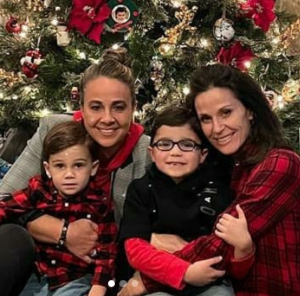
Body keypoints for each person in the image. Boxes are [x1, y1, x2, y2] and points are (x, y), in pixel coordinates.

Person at [122, 64, 300, 296]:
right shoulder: (230, 166)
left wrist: (145, 280)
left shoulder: (280, 163)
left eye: (226, 112)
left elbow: (220, 244)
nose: (217, 128)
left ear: (250, 110)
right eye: (206, 118)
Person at [0, 47, 151, 293]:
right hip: (40, 266)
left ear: (133, 108)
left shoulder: (147, 153)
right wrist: (62, 231)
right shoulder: (56, 131)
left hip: (101, 275)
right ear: (81, 105)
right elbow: (5, 199)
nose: (107, 118)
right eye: (95, 107)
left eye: (119, 107)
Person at [119, 106, 255, 296]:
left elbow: (228, 256)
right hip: (157, 279)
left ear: (203, 155)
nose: (175, 152)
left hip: (209, 282)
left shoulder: (219, 191)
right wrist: (184, 272)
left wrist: (244, 249)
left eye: (187, 144)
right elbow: (135, 249)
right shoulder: (140, 189)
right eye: (165, 144)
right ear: (152, 153)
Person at [0, 121, 118, 296]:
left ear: (93, 168)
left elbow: (108, 253)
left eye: (78, 165)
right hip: (37, 276)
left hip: (75, 280)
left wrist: (98, 289)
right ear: (48, 169)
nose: (69, 174)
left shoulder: (99, 203)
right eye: (60, 166)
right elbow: (6, 207)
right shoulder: (38, 190)